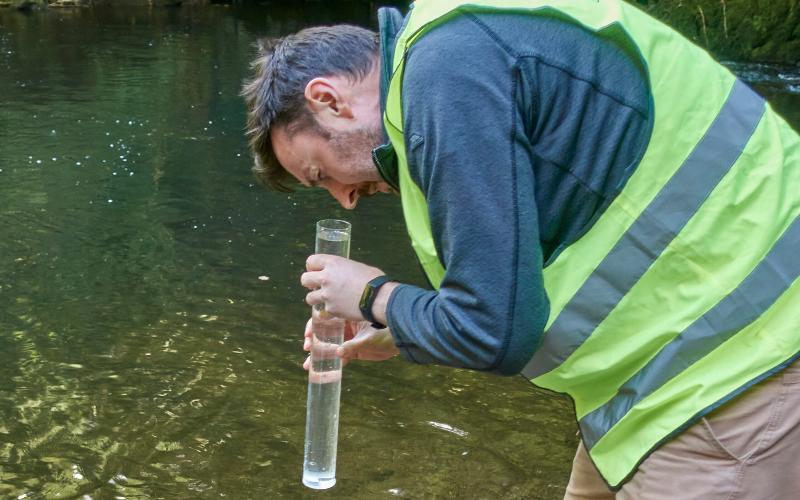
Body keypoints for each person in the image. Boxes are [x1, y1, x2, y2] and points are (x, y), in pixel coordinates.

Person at [242, 1, 800, 498]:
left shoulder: (445, 73)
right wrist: (402, 330)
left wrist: (372, 295)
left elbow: (496, 328)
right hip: (652, 387)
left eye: (321, 173)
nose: (345, 201)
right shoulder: (452, 52)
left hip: (740, 367)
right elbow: (524, 284)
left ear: (328, 100)